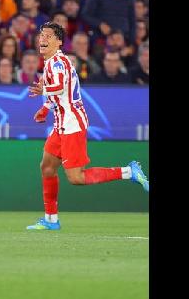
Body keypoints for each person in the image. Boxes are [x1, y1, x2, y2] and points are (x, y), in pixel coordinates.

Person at [24, 22, 148, 231]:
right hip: (60, 124)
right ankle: (51, 220)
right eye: (41, 35)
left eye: (48, 36)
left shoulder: (58, 63)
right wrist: (45, 108)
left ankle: (129, 172)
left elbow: (59, 86)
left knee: (76, 178)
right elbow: (60, 92)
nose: (42, 38)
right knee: (47, 167)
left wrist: (43, 90)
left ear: (59, 42)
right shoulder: (51, 62)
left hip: (72, 124)